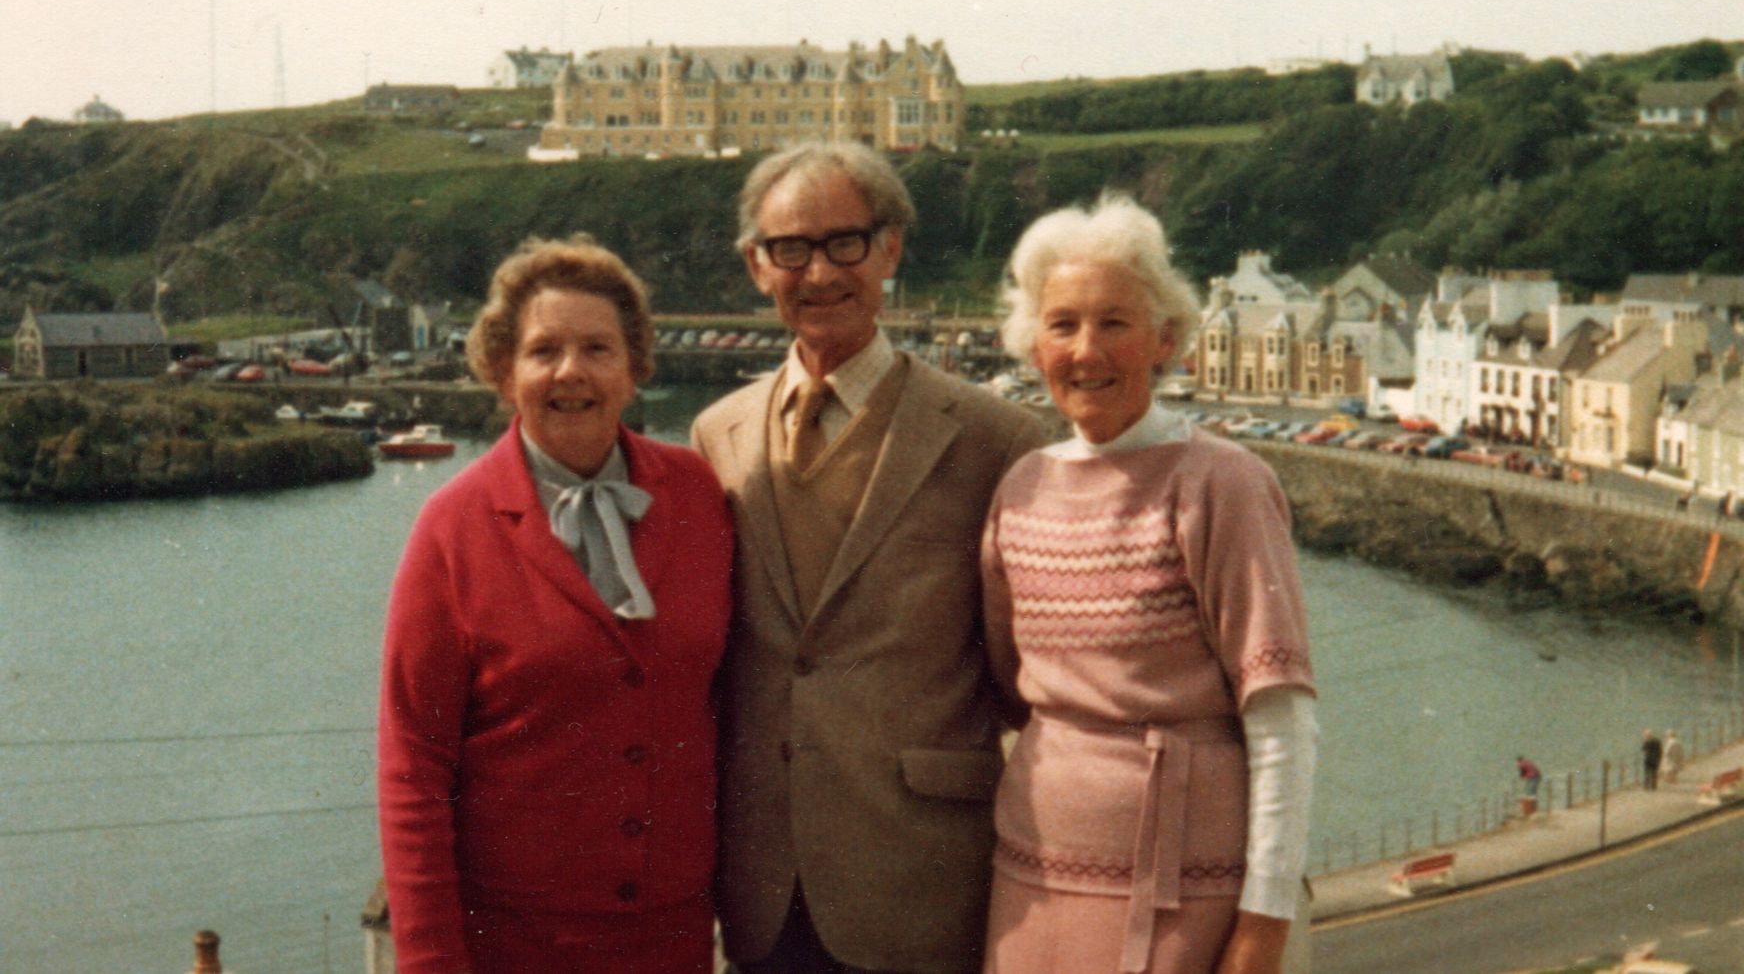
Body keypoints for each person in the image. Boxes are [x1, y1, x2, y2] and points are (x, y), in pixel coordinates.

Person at [692, 142, 1050, 973]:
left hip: (923, 878)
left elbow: (1025, 677)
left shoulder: (994, 437)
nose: (818, 273)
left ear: (890, 248)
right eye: (791, 249)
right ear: (756, 265)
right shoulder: (717, 434)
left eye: (844, 242)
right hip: (761, 884)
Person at [979, 195, 1317, 974]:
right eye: (1062, 324)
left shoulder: (1223, 484)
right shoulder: (1020, 488)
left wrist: (1264, 926)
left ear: (1166, 338)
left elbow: (1283, 720)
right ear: (1033, 346)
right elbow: (1012, 686)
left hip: (1180, 888)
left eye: (1115, 323)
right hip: (1030, 876)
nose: (1086, 349)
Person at [377, 237, 734, 974]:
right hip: (514, 948)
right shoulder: (451, 528)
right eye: (544, 351)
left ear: (635, 370)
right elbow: (412, 767)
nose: (571, 371)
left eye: (598, 348)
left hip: (677, 943)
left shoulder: (699, 494)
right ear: (504, 374)